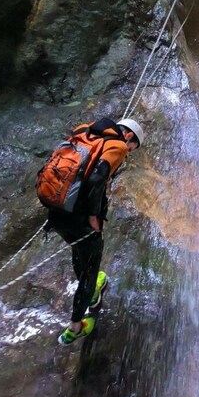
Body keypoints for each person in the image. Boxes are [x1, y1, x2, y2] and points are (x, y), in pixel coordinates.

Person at [49, 117, 145, 345]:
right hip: (79, 216)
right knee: (91, 267)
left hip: (57, 208)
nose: (128, 152)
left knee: (78, 249)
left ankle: (91, 292)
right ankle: (75, 327)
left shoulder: (86, 133)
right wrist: (94, 215)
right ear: (129, 136)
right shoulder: (118, 146)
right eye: (132, 148)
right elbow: (97, 177)